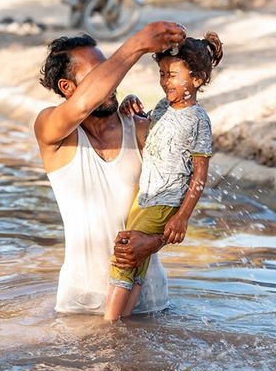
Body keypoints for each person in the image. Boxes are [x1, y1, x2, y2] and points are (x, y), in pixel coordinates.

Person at [34, 21, 186, 314]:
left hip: (150, 303)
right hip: (81, 306)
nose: (112, 80)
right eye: (99, 74)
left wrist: (152, 243)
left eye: (110, 69)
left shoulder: (142, 130)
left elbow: (176, 208)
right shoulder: (52, 131)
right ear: (68, 88)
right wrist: (136, 44)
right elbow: (80, 108)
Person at [104, 32, 224, 321]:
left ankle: (107, 326)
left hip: (164, 200)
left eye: (172, 75)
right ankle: (124, 324)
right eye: (162, 74)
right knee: (136, 263)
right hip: (144, 196)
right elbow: (151, 132)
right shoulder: (162, 106)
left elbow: (200, 174)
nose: (165, 81)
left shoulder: (198, 120)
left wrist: (182, 217)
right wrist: (131, 107)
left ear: (197, 79)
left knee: (124, 257)